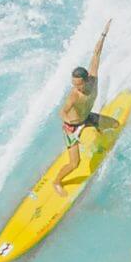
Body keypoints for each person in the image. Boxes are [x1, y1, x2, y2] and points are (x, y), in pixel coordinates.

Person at [52, 19, 112, 196]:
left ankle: (98, 132)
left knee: (113, 125)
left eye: (78, 84)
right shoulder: (74, 95)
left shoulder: (93, 79)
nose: (76, 87)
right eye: (73, 84)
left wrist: (103, 34)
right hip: (73, 127)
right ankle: (56, 182)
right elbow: (62, 111)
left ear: (86, 80)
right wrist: (69, 126)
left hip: (87, 117)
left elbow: (96, 54)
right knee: (74, 163)